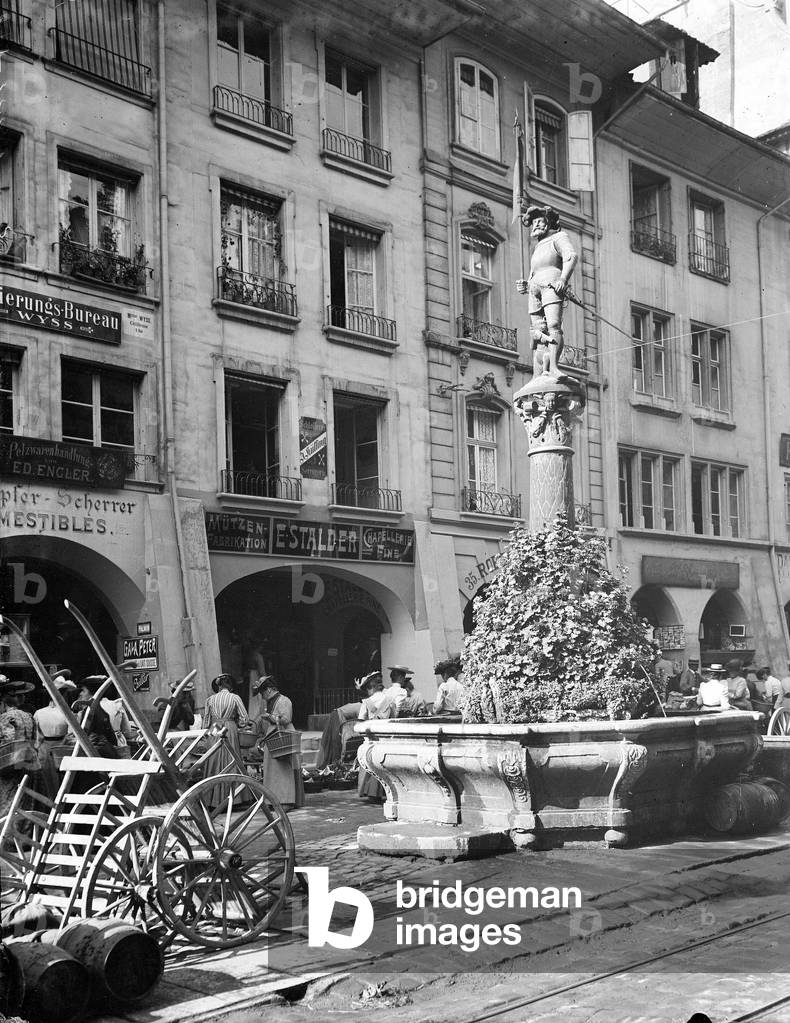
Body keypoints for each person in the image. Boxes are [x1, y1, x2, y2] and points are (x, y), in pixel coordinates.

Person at [516, 204, 578, 377]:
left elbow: (571, 256)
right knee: (538, 331)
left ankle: (553, 368)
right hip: (535, 288)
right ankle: (539, 372)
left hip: (551, 284)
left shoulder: (558, 237)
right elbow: (534, 271)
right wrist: (525, 285)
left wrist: (563, 279)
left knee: (553, 326)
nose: (535, 225)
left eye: (539, 221)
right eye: (533, 222)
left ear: (549, 222)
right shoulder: (536, 247)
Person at [254, 676, 303, 808]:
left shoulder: (284, 700)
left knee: (284, 768)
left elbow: (286, 718)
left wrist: (269, 717)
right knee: (272, 770)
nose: (262, 696)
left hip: (283, 736)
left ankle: (287, 800)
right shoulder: (269, 701)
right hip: (272, 737)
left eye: (263, 692)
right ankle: (274, 799)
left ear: (269, 690)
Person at [34, 671, 76, 799]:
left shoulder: (38, 713)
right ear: (63, 694)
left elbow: (37, 737)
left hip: (44, 748)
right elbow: (72, 735)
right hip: (62, 747)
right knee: (62, 779)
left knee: (48, 780)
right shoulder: (68, 713)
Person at [0, 679, 38, 819]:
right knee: (24, 800)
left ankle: (8, 835)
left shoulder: (5, 718)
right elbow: (35, 740)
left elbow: (8, 742)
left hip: (9, 764)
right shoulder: (29, 716)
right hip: (28, 761)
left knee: (8, 800)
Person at [100, 683, 137, 758]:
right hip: (118, 745)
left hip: (97, 747)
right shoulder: (117, 705)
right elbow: (127, 731)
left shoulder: (88, 708)